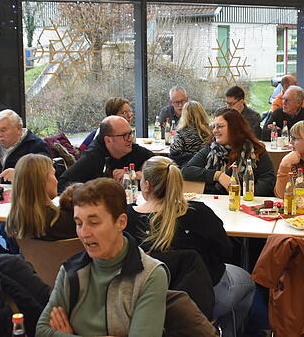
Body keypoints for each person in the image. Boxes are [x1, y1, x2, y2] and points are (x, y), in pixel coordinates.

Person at [126, 156, 254, 337]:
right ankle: (217, 331)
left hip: (140, 303)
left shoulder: (125, 218)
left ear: (146, 185)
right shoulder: (199, 212)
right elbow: (225, 251)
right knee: (247, 281)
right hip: (199, 300)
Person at [36, 178, 169, 337]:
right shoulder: (71, 269)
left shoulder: (150, 275)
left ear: (121, 222)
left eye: (94, 223)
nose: (84, 233)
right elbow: (42, 330)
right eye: (79, 223)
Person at [183, 108, 275, 196]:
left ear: (234, 128)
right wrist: (218, 175)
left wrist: (242, 194)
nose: (215, 131)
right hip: (216, 203)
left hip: (247, 203)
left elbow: (267, 181)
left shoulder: (256, 150)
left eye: (220, 126)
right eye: (214, 127)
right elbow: (186, 170)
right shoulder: (211, 149)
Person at [58, 115, 154, 191]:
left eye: (130, 133)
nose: (130, 139)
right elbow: (62, 184)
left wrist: (135, 174)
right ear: (108, 140)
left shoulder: (130, 147)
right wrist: (96, 187)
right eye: (125, 135)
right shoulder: (92, 157)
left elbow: (161, 164)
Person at [5, 154, 77, 241]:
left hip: (29, 255)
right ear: (42, 182)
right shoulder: (69, 221)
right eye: (53, 174)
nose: (56, 180)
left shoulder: (14, 221)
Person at [169, 100, 211, 165]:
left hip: (188, 166)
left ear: (185, 115)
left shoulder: (182, 132)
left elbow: (175, 150)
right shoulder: (210, 130)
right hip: (206, 165)